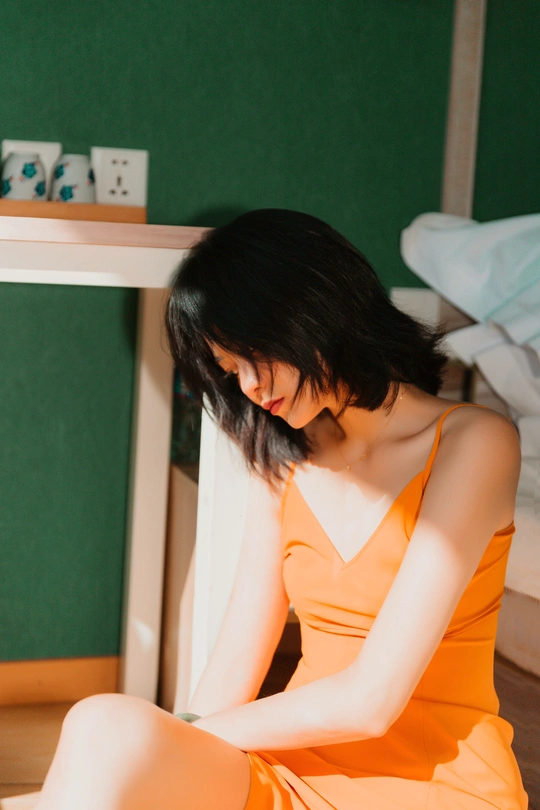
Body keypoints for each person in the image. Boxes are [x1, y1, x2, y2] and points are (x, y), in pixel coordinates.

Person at [34, 209, 528, 810]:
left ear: (313, 309)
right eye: (229, 371)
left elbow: (370, 702)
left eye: (251, 355)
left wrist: (171, 742)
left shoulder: (475, 443)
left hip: (435, 788)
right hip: (293, 776)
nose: (247, 387)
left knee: (115, 746)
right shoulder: (286, 461)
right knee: (102, 727)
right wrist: (169, 745)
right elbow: (238, 655)